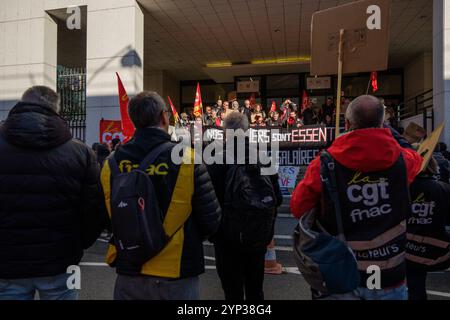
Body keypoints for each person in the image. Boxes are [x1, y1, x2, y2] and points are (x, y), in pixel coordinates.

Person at [290, 95, 423, 300]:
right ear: (382, 123)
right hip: (389, 274)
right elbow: (416, 157)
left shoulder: (324, 164)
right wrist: (391, 133)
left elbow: (298, 208)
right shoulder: (403, 159)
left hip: (342, 272)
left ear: (347, 124)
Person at [100, 91, 221, 300]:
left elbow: (106, 217)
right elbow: (211, 219)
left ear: (133, 120)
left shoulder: (111, 162)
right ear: (164, 117)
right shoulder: (187, 157)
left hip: (130, 267)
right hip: (177, 269)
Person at [0, 86, 106, 300]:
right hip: (61, 260)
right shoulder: (81, 151)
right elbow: (94, 210)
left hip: (6, 262)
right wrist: (77, 244)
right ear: (56, 110)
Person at [207, 112, 283, 300]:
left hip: (227, 239)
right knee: (255, 290)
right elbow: (278, 198)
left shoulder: (216, 160)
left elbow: (208, 202)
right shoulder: (262, 158)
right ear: (247, 130)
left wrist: (213, 234)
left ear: (225, 132)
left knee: (232, 292)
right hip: (257, 235)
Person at [406, 156, 450, 300]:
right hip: (434, 245)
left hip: (405, 247)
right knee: (417, 286)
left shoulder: (403, 187)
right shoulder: (443, 188)